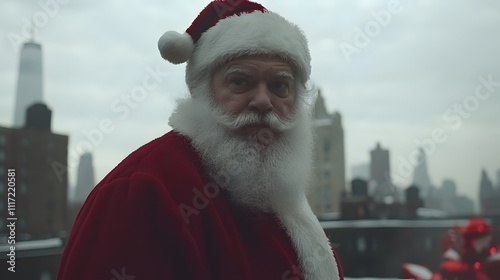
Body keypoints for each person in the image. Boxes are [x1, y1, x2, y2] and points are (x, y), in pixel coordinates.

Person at [57, 1, 344, 279]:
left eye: (279, 86)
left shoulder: (279, 191)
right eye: (240, 81)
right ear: (202, 91)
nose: (262, 101)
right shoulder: (144, 191)